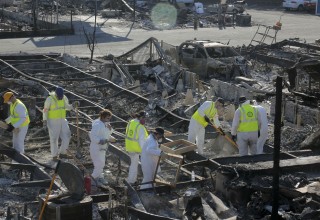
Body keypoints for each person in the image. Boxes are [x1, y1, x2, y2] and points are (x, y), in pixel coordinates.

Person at [43, 87, 73, 161]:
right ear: (56, 94)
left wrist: (73, 106)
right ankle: (54, 156)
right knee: (54, 138)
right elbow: (45, 110)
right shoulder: (50, 99)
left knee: (67, 135)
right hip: (53, 121)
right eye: (59, 96)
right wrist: (44, 120)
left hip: (62, 119)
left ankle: (63, 153)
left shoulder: (64, 98)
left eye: (61, 96)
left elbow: (67, 107)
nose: (60, 98)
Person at [89, 109, 113, 186]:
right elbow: (92, 137)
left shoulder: (105, 124)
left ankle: (99, 177)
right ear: (102, 117)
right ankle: (91, 180)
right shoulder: (97, 125)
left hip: (102, 148)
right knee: (99, 164)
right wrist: (102, 141)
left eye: (109, 118)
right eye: (107, 118)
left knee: (101, 164)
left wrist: (110, 129)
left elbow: (107, 133)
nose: (108, 120)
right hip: (96, 147)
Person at [125, 111, 148, 184]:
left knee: (133, 164)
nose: (145, 120)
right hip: (136, 148)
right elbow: (142, 141)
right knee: (134, 165)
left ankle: (132, 179)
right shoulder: (140, 127)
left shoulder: (131, 122)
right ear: (141, 118)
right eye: (145, 118)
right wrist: (144, 151)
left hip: (129, 146)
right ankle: (131, 181)